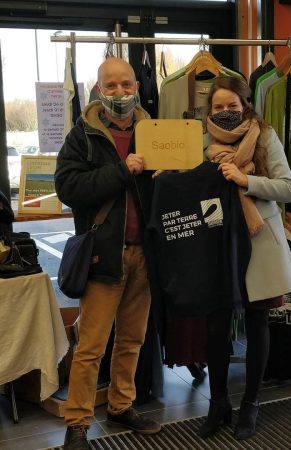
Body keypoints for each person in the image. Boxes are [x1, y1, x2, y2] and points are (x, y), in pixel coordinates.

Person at [55, 57, 161, 450]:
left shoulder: (155, 132)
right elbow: (68, 187)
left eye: (126, 84)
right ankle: (78, 422)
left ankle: (121, 405)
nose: (120, 93)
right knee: (91, 346)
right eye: (111, 86)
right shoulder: (83, 134)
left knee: (132, 339)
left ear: (137, 85)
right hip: (103, 256)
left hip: (143, 254)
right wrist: (123, 170)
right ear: (99, 89)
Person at [197, 76, 291, 440]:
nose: (225, 112)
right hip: (217, 242)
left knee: (258, 325)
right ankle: (218, 402)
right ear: (209, 111)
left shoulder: (264, 135)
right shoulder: (200, 141)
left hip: (258, 241)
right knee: (214, 326)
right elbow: (195, 187)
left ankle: (251, 404)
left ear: (245, 105)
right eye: (218, 107)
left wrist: (245, 180)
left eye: (232, 106)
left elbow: (288, 189)